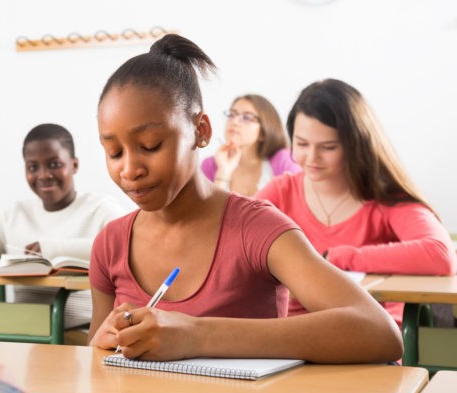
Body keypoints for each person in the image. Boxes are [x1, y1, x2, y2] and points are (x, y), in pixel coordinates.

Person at [88, 34, 403, 363]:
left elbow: (378, 332)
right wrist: (104, 340)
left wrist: (196, 334)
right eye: (113, 152)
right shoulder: (110, 244)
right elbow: (92, 361)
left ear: (202, 131)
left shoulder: (257, 228)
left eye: (151, 145)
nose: (130, 169)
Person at [256, 78, 457, 325]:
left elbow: (440, 254)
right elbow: (230, 244)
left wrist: (336, 258)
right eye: (301, 144)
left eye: (328, 147)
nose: (311, 157)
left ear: (355, 145)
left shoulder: (385, 197)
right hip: (293, 336)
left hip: (371, 335)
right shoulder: (280, 191)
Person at [0, 123, 125, 329]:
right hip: (24, 335)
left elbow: (127, 245)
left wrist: (51, 249)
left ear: (74, 164)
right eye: (33, 167)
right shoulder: (16, 216)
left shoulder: (99, 209)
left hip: (83, 333)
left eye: (54, 164)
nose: (43, 175)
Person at [201, 94, 300, 196]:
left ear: (263, 132)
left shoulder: (284, 160)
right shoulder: (210, 165)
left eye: (247, 117)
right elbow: (205, 210)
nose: (234, 122)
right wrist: (222, 174)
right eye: (231, 115)